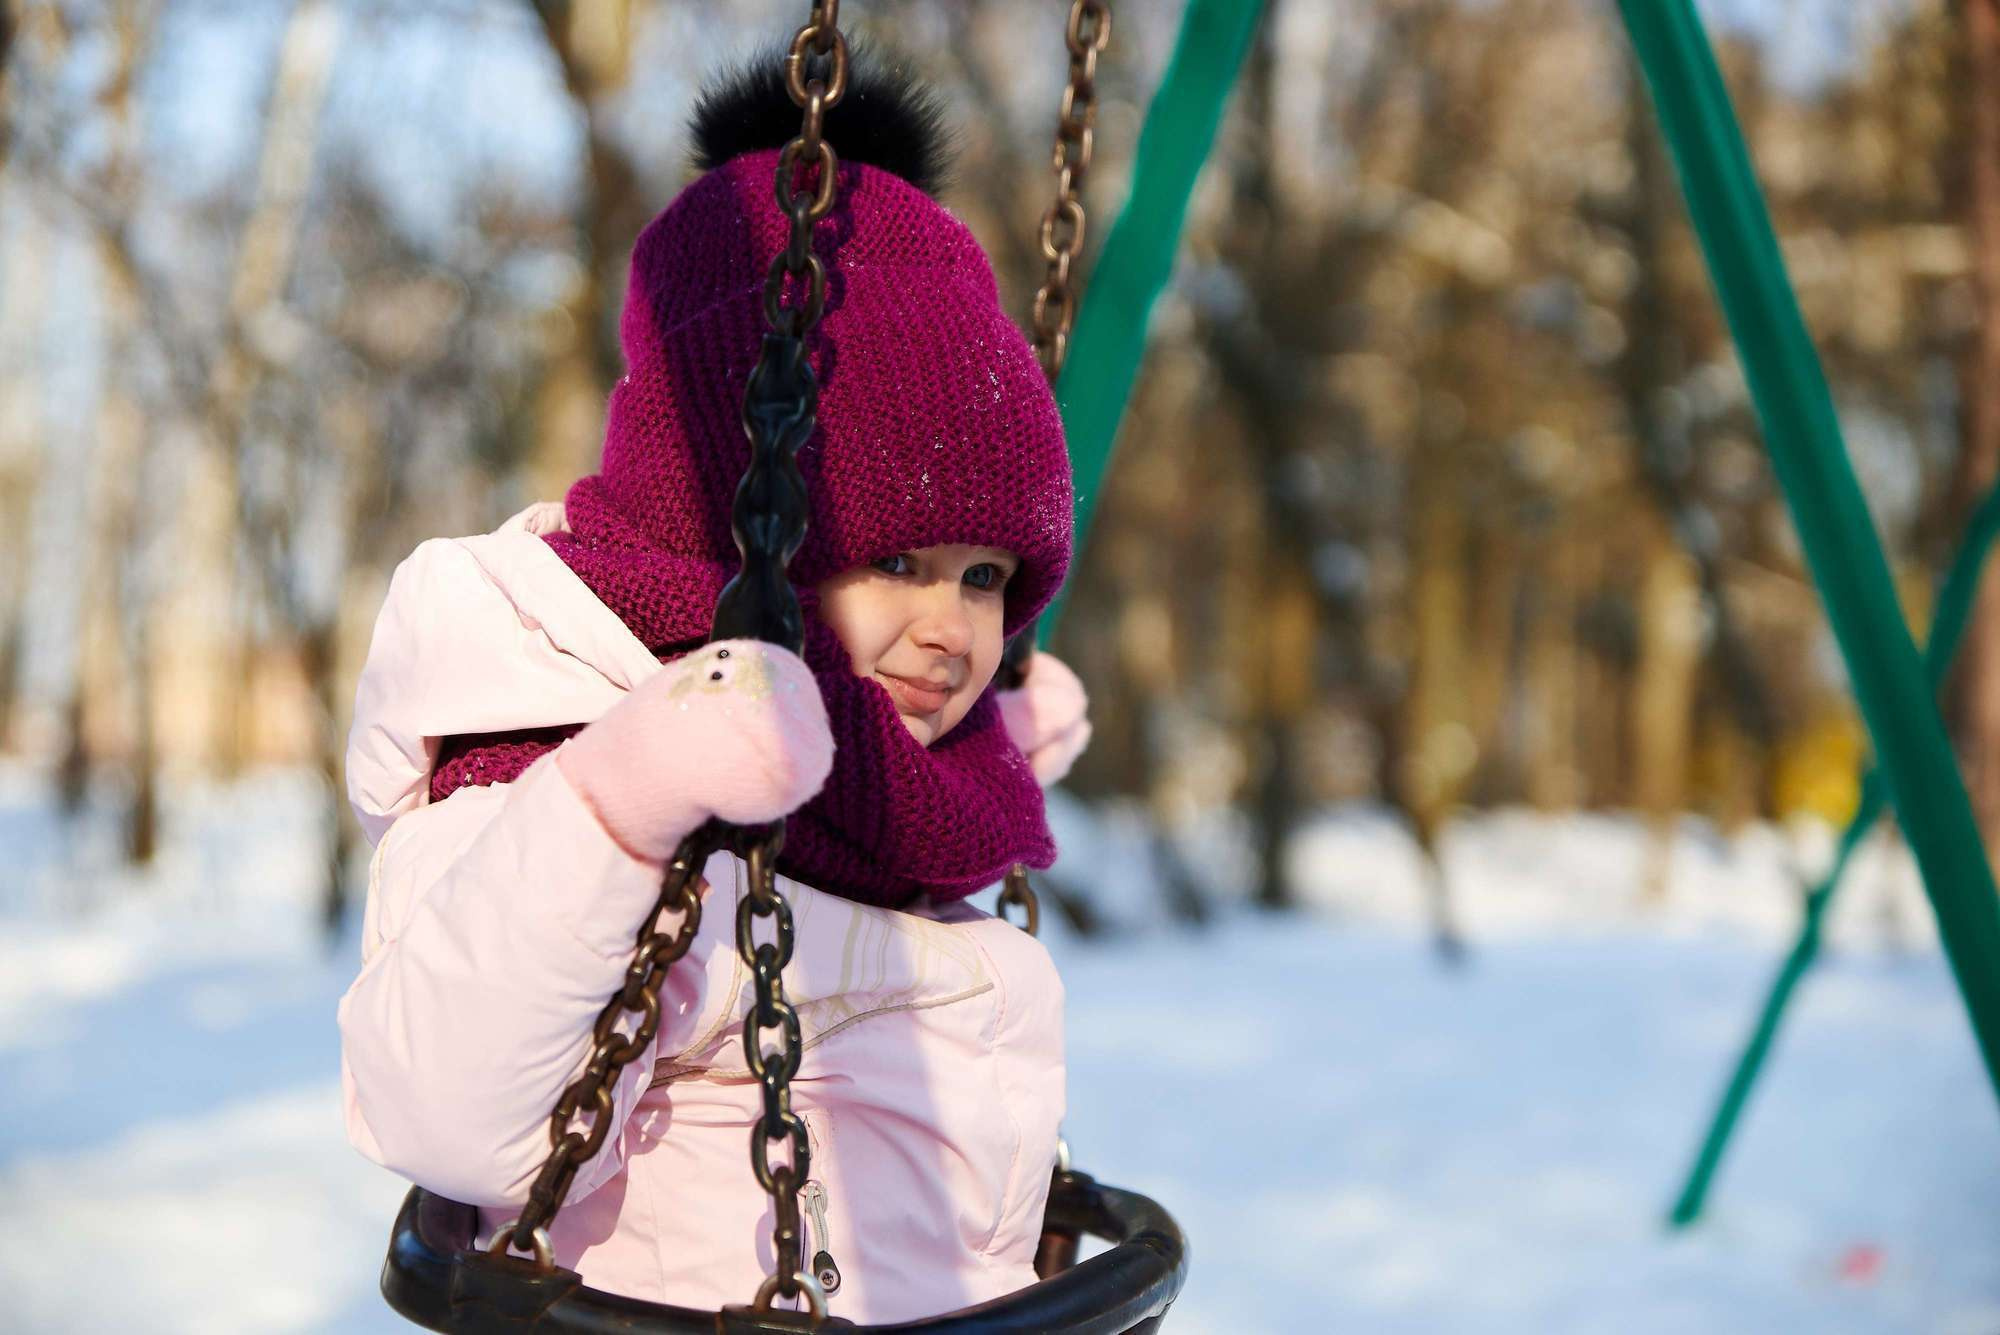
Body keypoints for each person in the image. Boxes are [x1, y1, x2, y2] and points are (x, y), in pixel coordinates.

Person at [336, 54, 1093, 1325]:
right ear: (726, 528)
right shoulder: (537, 758)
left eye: (982, 577)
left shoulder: (892, 805)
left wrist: (1001, 738)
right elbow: (441, 1112)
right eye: (894, 561)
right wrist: (621, 801)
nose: (950, 630)